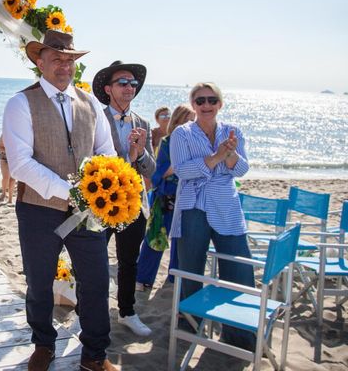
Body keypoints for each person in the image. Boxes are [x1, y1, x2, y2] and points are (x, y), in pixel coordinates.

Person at [3, 30, 118, 371]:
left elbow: (106, 152)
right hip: (39, 210)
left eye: (69, 60)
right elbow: (22, 163)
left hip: (86, 213)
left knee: (96, 281)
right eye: (56, 58)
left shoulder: (90, 102)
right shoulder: (20, 103)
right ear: (39, 62)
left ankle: (95, 355)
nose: (64, 65)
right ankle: (43, 344)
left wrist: (99, 188)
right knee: (39, 282)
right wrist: (73, 191)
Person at [169, 82, 255, 350]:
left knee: (239, 266)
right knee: (190, 267)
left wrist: (229, 157)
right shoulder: (181, 134)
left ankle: (239, 332)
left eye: (211, 100)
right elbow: (182, 171)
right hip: (193, 205)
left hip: (226, 205)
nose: (206, 105)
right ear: (193, 105)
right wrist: (217, 157)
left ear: (220, 103)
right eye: (200, 100)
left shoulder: (234, 132)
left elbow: (241, 169)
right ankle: (191, 323)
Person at [91, 60, 155, 338]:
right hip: (102, 203)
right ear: (108, 88)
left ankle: (127, 312)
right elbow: (88, 163)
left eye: (133, 83)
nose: (130, 87)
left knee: (129, 262)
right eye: (123, 83)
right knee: (94, 260)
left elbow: (151, 169)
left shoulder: (142, 123)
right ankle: (90, 310)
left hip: (133, 204)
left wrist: (140, 154)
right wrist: (125, 158)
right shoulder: (94, 119)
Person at [136, 104, 195, 290]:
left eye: (194, 121)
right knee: (156, 238)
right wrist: (180, 165)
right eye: (189, 120)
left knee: (181, 240)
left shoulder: (196, 142)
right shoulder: (168, 142)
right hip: (165, 197)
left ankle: (174, 278)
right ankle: (142, 279)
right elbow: (157, 173)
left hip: (186, 198)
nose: (193, 124)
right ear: (178, 121)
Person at [0, 136, 15, 203]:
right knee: (6, 177)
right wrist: (9, 150)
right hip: (4, 157)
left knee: (13, 179)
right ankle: (4, 193)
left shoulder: (20, 134)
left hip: (14, 158)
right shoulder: (4, 134)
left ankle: (10, 200)